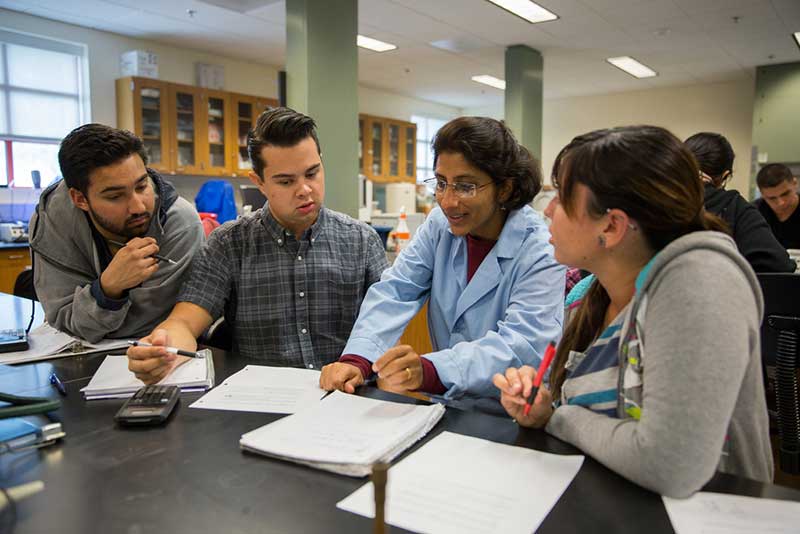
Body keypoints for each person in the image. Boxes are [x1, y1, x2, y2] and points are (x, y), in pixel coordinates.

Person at [493, 125, 773, 498]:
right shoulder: (589, 296)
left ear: (611, 225)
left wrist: (559, 419)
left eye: (561, 196)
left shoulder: (701, 281)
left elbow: (670, 465)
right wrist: (544, 405)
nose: (549, 210)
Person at [127, 107, 388, 384]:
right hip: (262, 402)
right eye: (286, 181)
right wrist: (163, 348)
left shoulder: (361, 240)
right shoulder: (229, 244)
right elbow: (184, 322)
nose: (304, 190)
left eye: (312, 173)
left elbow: (386, 326)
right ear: (259, 182)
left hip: (345, 399)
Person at [320, 117, 565, 400]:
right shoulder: (439, 226)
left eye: (465, 186)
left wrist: (433, 370)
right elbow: (396, 290)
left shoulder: (540, 251)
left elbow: (522, 346)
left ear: (505, 188)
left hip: (511, 411)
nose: (448, 201)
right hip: (449, 405)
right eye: (441, 183)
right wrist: (358, 360)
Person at [28, 124, 203, 343]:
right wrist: (108, 289)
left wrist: (91, 307)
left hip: (157, 355)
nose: (138, 206)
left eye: (141, 186)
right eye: (115, 196)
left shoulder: (181, 224)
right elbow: (63, 319)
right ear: (80, 199)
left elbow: (149, 324)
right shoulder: (53, 221)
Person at [684, 132, 795, 272]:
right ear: (725, 176)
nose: (781, 203)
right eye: (772, 198)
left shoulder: (657, 198)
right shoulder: (734, 207)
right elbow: (779, 265)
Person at [754, 163, 800, 250]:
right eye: (772, 198)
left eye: (785, 194)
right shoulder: (753, 213)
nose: (781, 202)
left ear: (794, 183)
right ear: (762, 194)